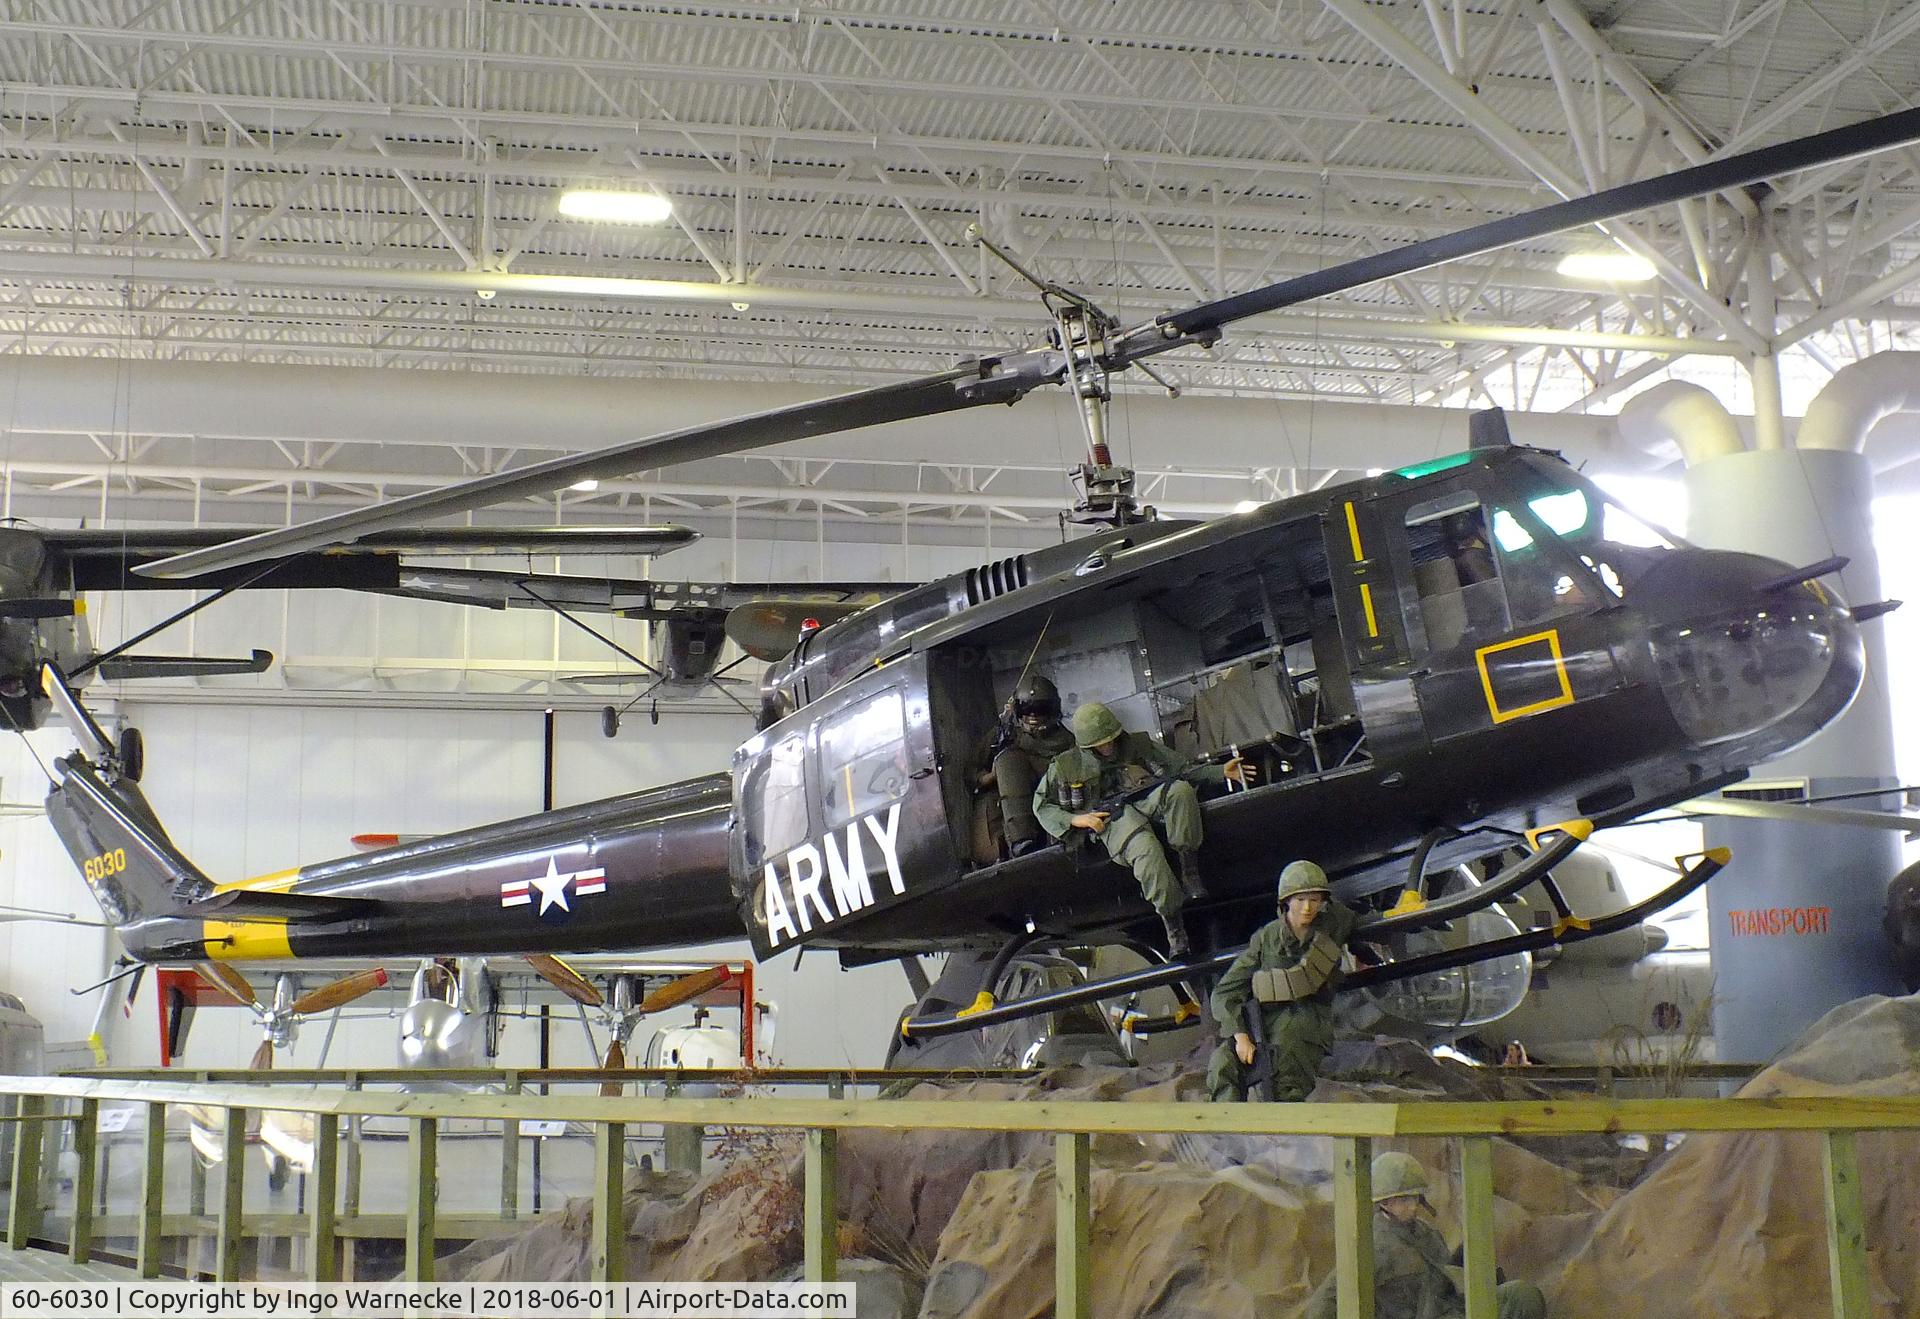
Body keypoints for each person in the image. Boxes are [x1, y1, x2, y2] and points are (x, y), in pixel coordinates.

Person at [1031, 700, 1255, 957]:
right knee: (1145, 849)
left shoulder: (1135, 744)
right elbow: (1041, 806)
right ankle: (1174, 928)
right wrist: (1075, 820)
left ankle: (1189, 870)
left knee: (1180, 792)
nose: (1107, 746)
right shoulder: (1066, 766)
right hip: (1111, 817)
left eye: (1110, 739)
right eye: (1099, 743)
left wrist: (1219, 772)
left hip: (1144, 795)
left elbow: (1180, 768)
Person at [1303, 1152, 1547, 1319]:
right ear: (1385, 1202)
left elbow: (1444, 1280)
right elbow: (1325, 1302)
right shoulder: (1371, 1245)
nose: (1413, 1205)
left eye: (1415, 1197)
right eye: (1405, 1199)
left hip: (1451, 1308)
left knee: (1522, 1295)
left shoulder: (1427, 1233)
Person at [1206, 860, 1355, 1102]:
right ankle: (1228, 1132)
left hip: (1307, 1021)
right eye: (1300, 900)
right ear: (1285, 902)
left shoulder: (1332, 925)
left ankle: (1286, 1128)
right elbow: (1225, 991)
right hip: (1263, 1021)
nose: (1307, 907)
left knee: (1287, 1074)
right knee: (1222, 1063)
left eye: (1314, 900)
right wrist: (1241, 1036)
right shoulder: (1267, 939)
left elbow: (1351, 918)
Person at [972, 674, 1076, 858]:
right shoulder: (1003, 735)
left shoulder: (1066, 740)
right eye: (1026, 709)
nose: (1032, 715)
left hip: (1054, 805)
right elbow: (970, 771)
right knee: (1007, 760)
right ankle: (1022, 841)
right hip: (1015, 812)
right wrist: (990, 776)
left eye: (1039, 709)